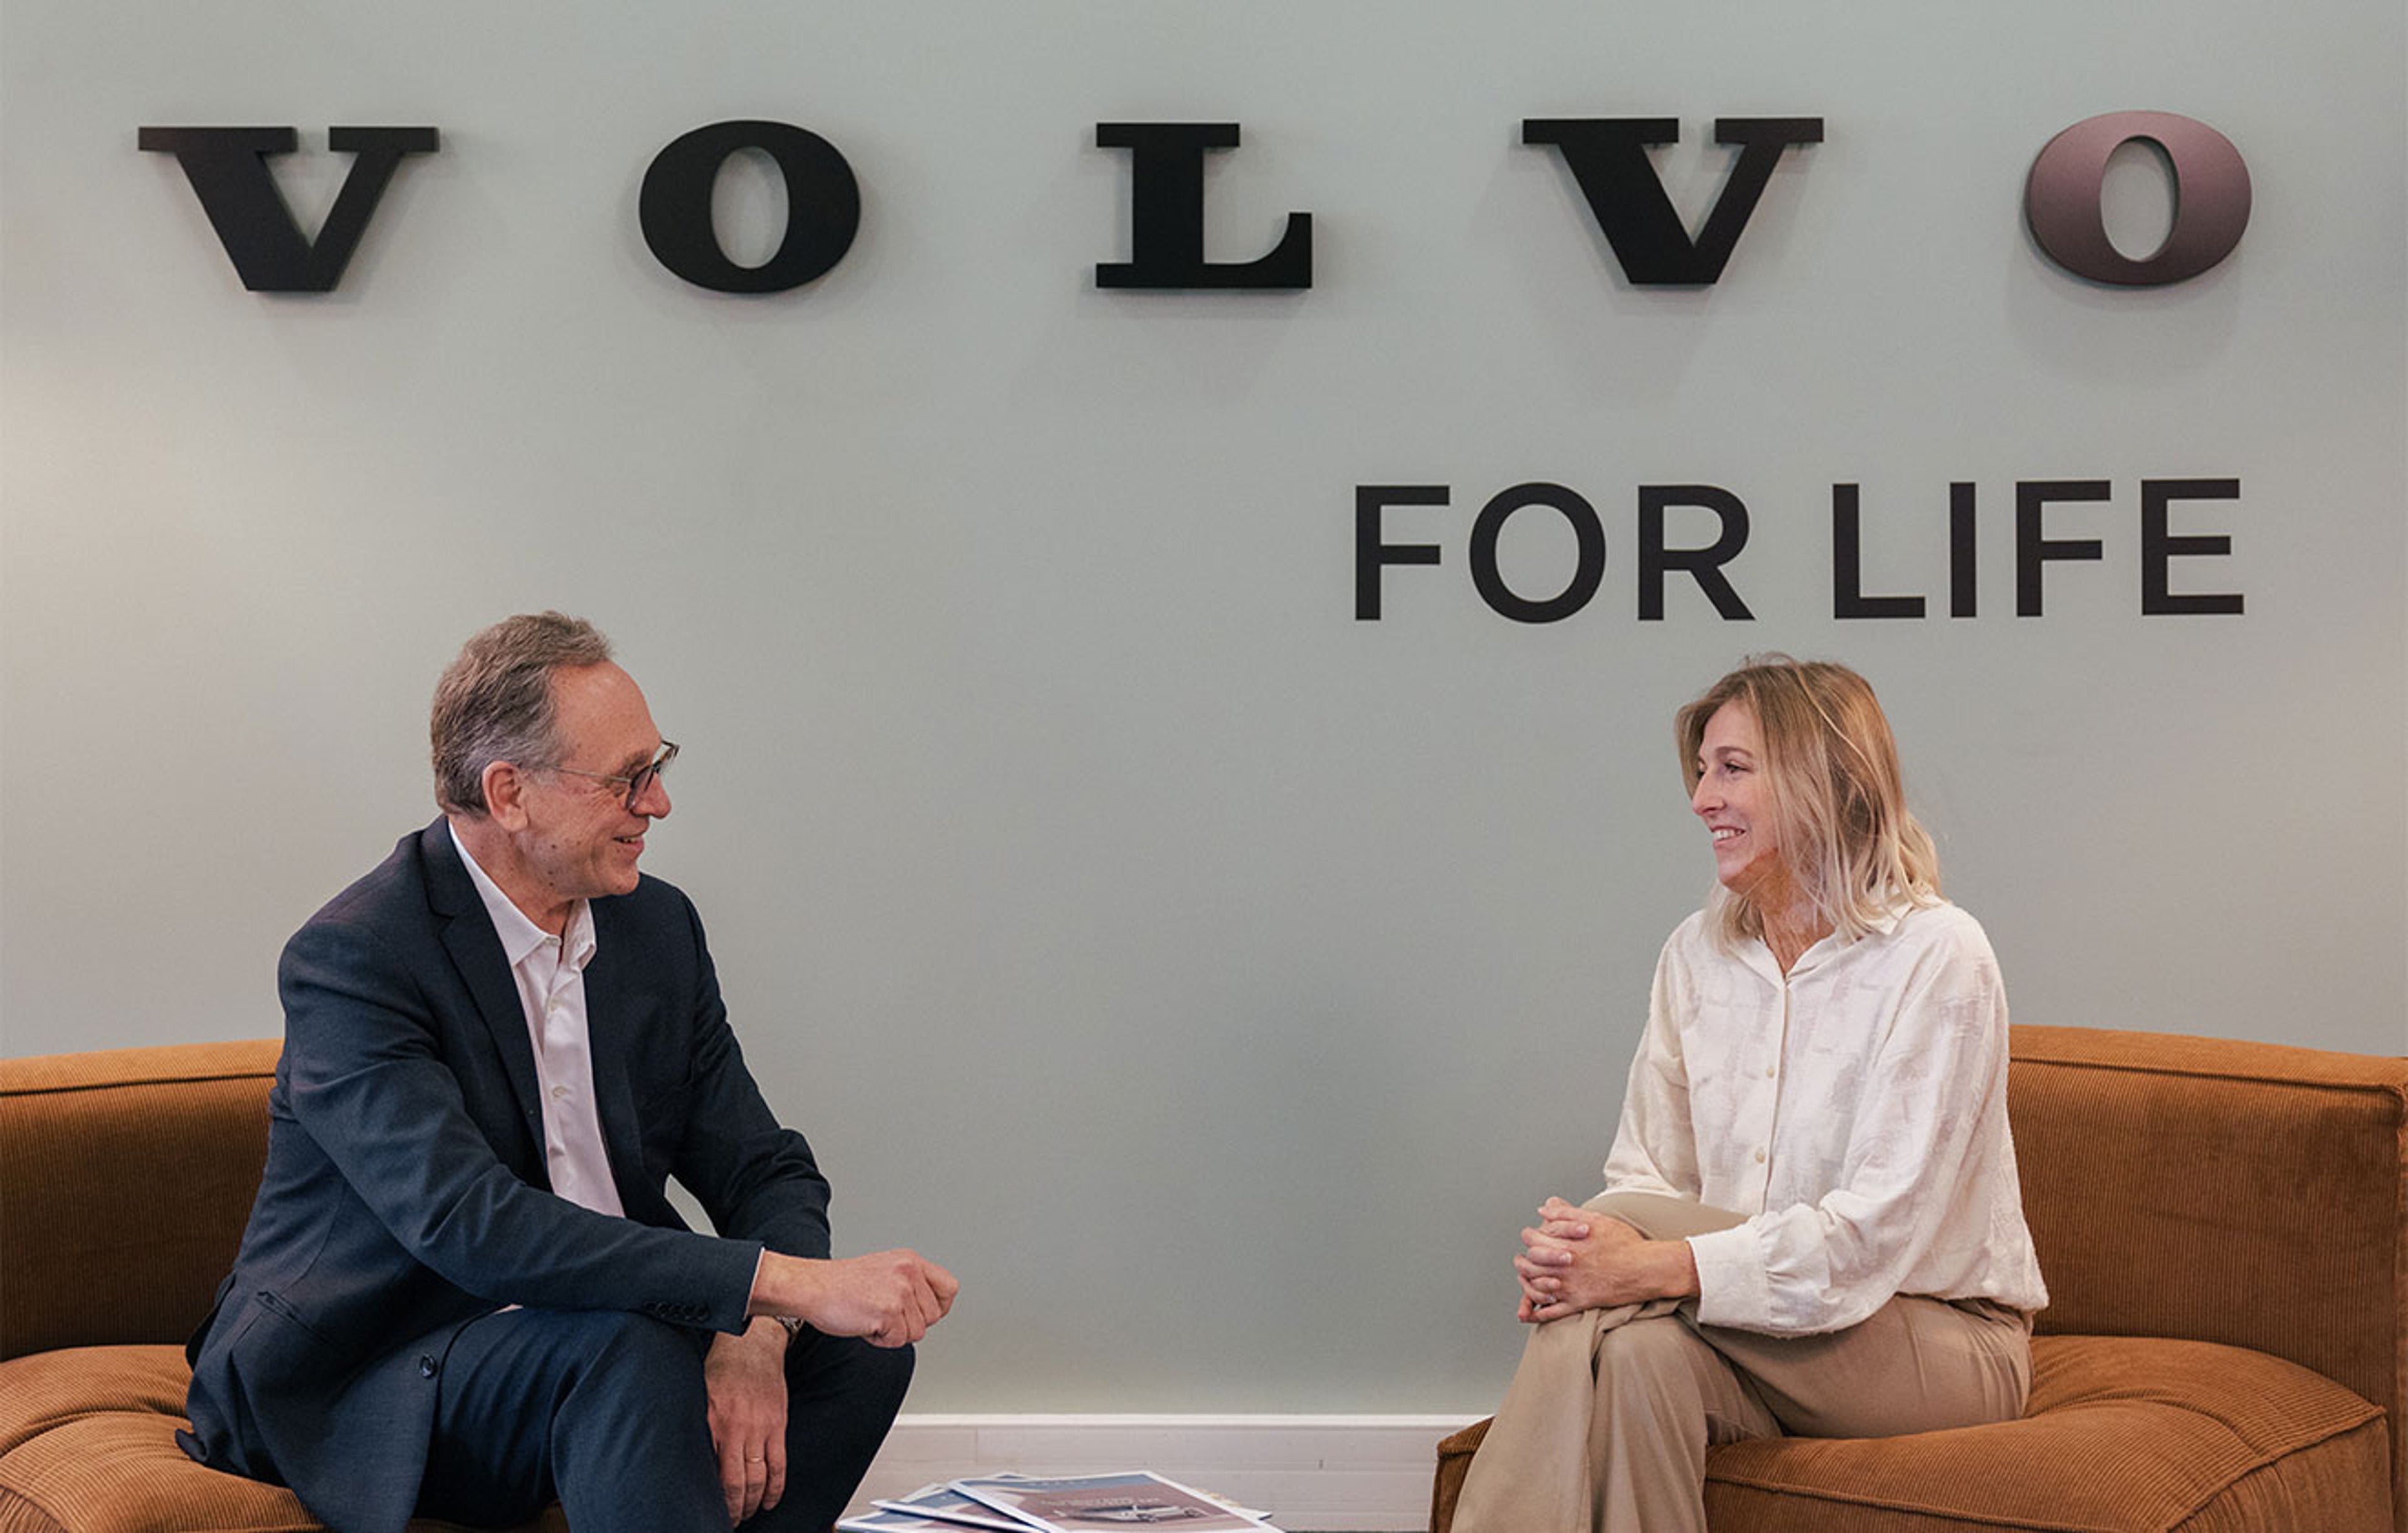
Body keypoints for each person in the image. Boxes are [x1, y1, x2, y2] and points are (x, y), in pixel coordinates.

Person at [179, 612, 959, 1533]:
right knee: (627, 1351)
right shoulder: (357, 959)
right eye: (630, 779)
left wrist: (761, 1334)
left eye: (658, 766)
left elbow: (763, 1167)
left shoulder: (656, 931)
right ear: (509, 794)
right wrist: (779, 1284)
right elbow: (475, 1228)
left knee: (860, 1349)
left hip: (599, 1344)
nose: (659, 804)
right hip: (387, 1364)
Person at [1450, 655, 2047, 1533]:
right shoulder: (1696, 956)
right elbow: (1648, 1175)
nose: (1701, 799)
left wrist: (1638, 1264)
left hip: (1931, 1341)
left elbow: (1869, 1241)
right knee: (1640, 1356)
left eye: (1732, 768)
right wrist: (1610, 1256)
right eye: (1701, 771)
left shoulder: (1939, 956)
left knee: (1615, 1245)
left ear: (1824, 779)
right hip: (1754, 1331)